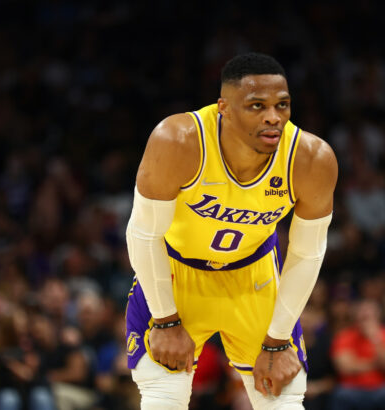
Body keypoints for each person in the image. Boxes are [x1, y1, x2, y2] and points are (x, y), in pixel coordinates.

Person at [124, 52, 337, 409]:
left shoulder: (312, 158)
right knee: (163, 396)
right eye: (257, 106)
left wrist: (278, 339)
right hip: (176, 274)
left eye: (282, 105)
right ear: (223, 107)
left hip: (254, 278)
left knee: (283, 398)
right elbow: (144, 234)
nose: (273, 117)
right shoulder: (178, 140)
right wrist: (164, 321)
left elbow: (307, 253)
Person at [330, 299, 385, 410]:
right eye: (363, 317)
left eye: (370, 317)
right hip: (351, 389)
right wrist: (376, 365)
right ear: (356, 317)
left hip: (382, 388)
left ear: (378, 317)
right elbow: (345, 368)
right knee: (341, 395)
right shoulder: (344, 337)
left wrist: (375, 338)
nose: (366, 321)